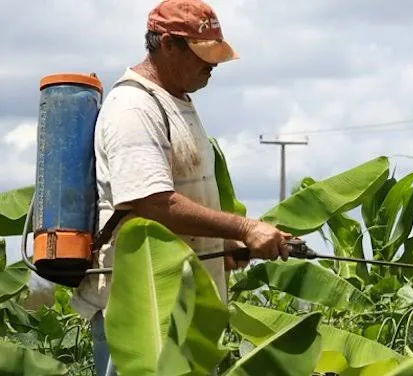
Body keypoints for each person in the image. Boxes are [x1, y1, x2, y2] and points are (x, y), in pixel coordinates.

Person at [69, 0, 292, 374]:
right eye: (203, 54)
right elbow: (152, 203)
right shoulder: (134, 108)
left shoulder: (178, 102)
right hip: (144, 314)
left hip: (181, 314)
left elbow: (183, 198)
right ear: (167, 44)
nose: (213, 65)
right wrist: (245, 228)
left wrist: (221, 245)